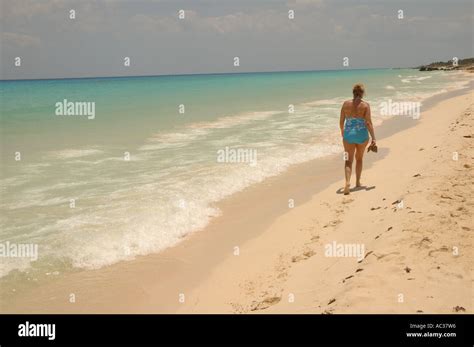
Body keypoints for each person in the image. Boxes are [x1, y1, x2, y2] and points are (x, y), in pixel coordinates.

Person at [339, 83, 376, 195]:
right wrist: (373, 138)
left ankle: (347, 183)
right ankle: (358, 182)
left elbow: (341, 122)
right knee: (359, 159)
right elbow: (368, 123)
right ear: (363, 93)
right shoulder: (365, 105)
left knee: (348, 161)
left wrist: (343, 133)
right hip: (362, 135)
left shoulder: (345, 104)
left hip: (348, 135)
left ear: (353, 93)